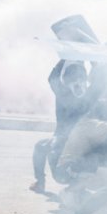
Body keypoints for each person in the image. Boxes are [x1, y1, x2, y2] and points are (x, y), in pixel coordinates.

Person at [30, 60, 91, 193]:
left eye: (81, 79)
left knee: (61, 173)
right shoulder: (65, 94)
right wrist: (67, 56)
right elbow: (52, 78)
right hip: (63, 140)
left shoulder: (86, 97)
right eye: (75, 79)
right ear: (67, 82)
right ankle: (41, 182)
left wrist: (66, 57)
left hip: (78, 143)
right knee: (40, 146)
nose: (78, 83)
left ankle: (78, 184)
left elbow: (53, 78)